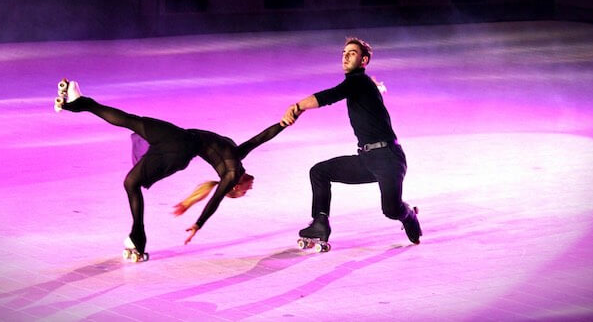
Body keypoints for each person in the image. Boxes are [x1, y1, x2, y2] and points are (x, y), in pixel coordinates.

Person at [55, 79, 291, 261]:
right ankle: (79, 103)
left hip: (178, 151)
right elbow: (261, 138)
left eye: (244, 192)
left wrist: (199, 224)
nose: (250, 188)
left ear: (235, 187)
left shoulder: (229, 174)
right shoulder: (237, 157)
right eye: (247, 191)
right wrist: (286, 121)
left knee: (131, 182)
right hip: (178, 136)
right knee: (131, 120)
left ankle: (138, 237)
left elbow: (214, 202)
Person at [282, 37, 422, 246]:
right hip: (367, 159)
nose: (346, 56)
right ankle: (320, 222)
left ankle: (408, 214)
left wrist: (297, 106)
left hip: (389, 159)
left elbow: (330, 95)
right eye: (344, 53)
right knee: (319, 172)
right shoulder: (360, 84)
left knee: (391, 210)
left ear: (364, 60)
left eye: (352, 53)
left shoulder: (358, 81)